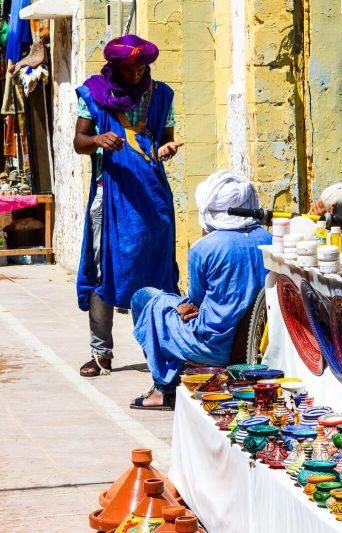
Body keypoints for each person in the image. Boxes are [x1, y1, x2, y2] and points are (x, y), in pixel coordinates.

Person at [73, 35, 184, 378]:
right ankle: (101, 353)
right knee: (103, 265)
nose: (136, 73)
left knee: (156, 268)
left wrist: (167, 149)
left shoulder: (161, 95)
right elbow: (79, 141)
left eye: (141, 67)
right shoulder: (93, 95)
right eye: (129, 68)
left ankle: (163, 348)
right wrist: (97, 139)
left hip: (151, 197)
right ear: (115, 67)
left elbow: (165, 138)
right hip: (110, 194)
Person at [129, 170, 272, 410]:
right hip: (254, 342)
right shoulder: (269, 239)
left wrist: (184, 305)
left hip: (214, 346)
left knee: (144, 299)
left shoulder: (204, 248)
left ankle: (163, 389)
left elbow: (195, 301)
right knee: (164, 303)